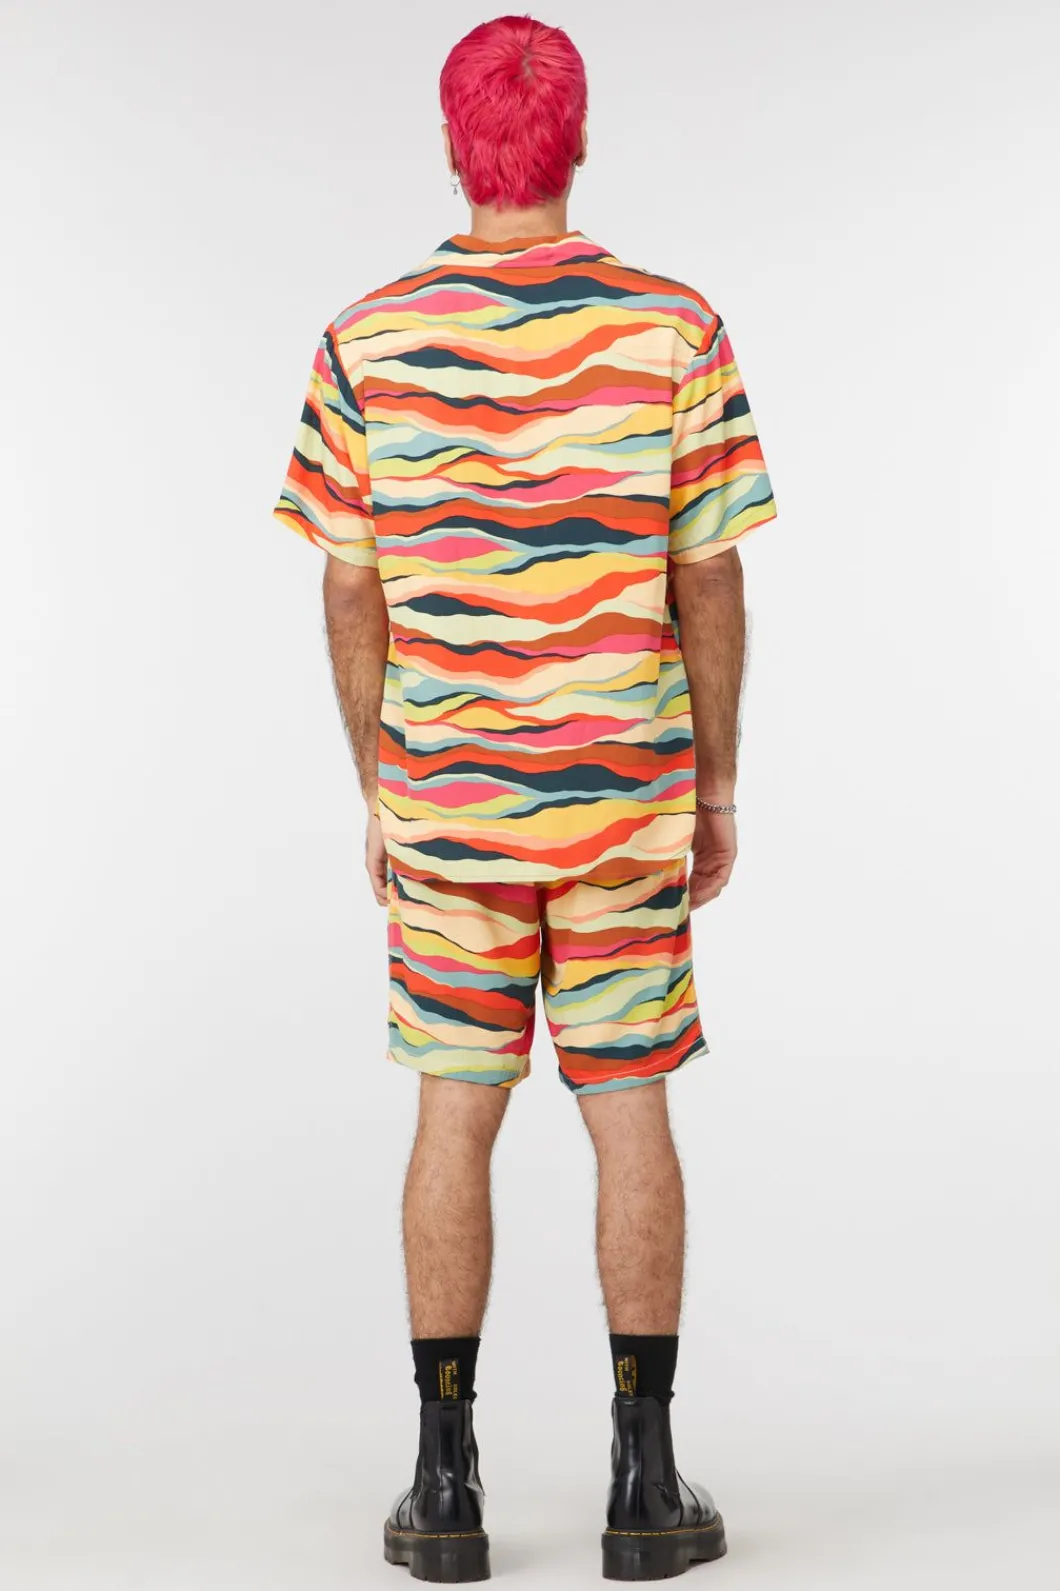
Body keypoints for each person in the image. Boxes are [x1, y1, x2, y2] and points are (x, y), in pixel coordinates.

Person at [273, 14, 776, 1581]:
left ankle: (444, 1485)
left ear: (455, 147)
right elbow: (710, 576)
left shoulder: (367, 340)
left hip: (449, 806)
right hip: (623, 798)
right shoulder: (674, 329)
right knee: (631, 1108)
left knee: (453, 1109)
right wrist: (714, 784)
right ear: (577, 141)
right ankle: (646, 1480)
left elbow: (348, 588)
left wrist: (383, 785)